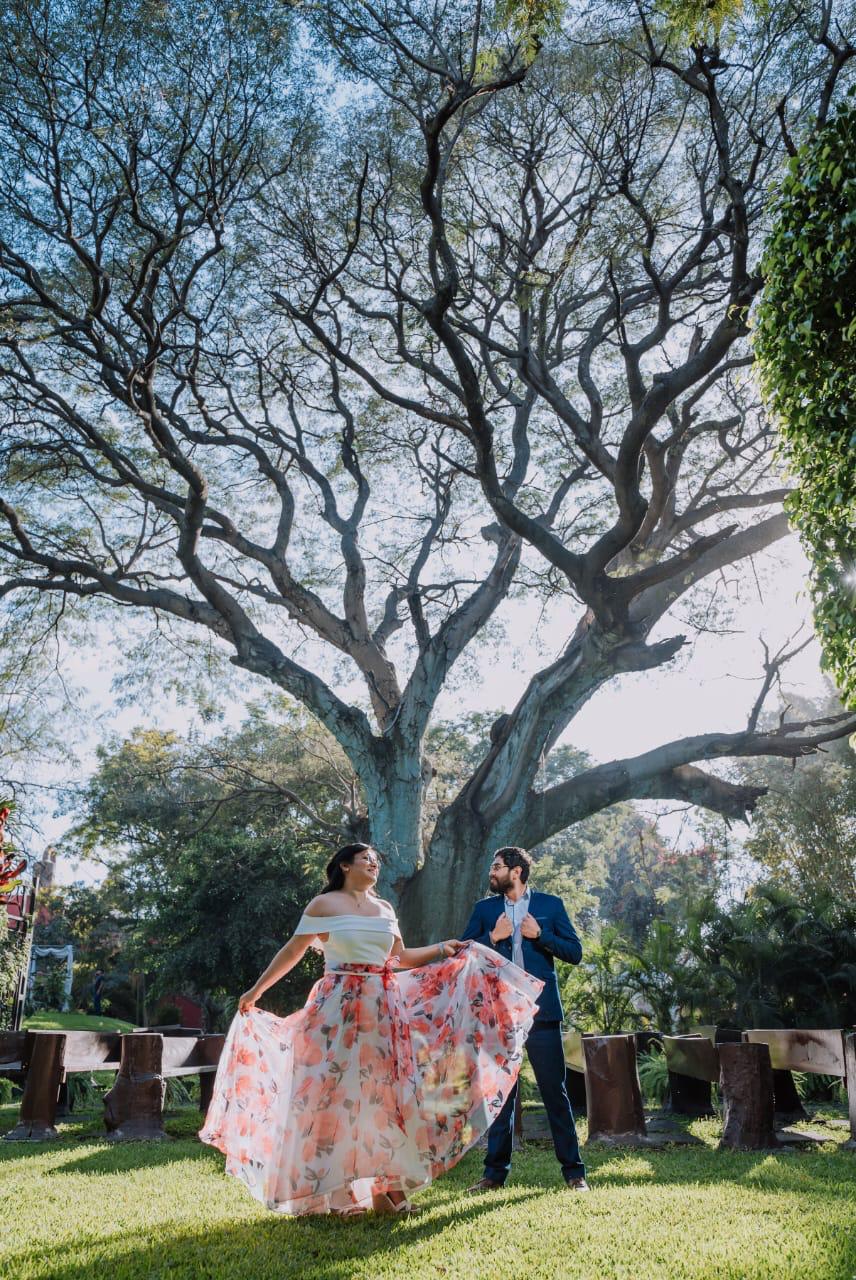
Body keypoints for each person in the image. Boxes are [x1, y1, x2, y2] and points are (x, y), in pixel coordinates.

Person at [200, 842, 543, 1217]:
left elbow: (400, 958)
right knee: (334, 1095)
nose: (373, 864)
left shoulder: (385, 909)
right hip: (337, 1008)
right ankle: (337, 1192)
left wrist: (442, 948)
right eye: (366, 859)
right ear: (345, 866)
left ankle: (387, 1189)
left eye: (376, 861)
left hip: (383, 1008)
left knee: (387, 1096)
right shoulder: (324, 905)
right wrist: (255, 991)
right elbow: (292, 952)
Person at [461, 846, 589, 1192]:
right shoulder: (485, 910)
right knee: (501, 1095)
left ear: (515, 871)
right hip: (499, 1014)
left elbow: (575, 953)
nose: (492, 872)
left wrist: (540, 936)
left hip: (542, 1014)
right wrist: (493, 937)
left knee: (555, 1093)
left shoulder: (550, 906)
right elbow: (464, 952)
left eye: (497, 866)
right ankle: (493, 1175)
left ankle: (574, 1173)